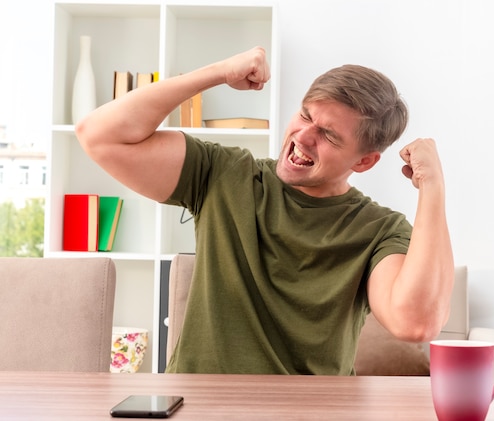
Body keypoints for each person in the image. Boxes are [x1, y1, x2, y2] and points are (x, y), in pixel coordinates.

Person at [76, 46, 454, 375]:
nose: (304, 137)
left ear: (365, 162)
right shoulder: (225, 174)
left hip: (308, 412)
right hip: (200, 405)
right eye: (306, 116)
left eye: (330, 135)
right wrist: (218, 72)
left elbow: (415, 323)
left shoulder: (379, 231)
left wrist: (432, 186)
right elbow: (98, 134)